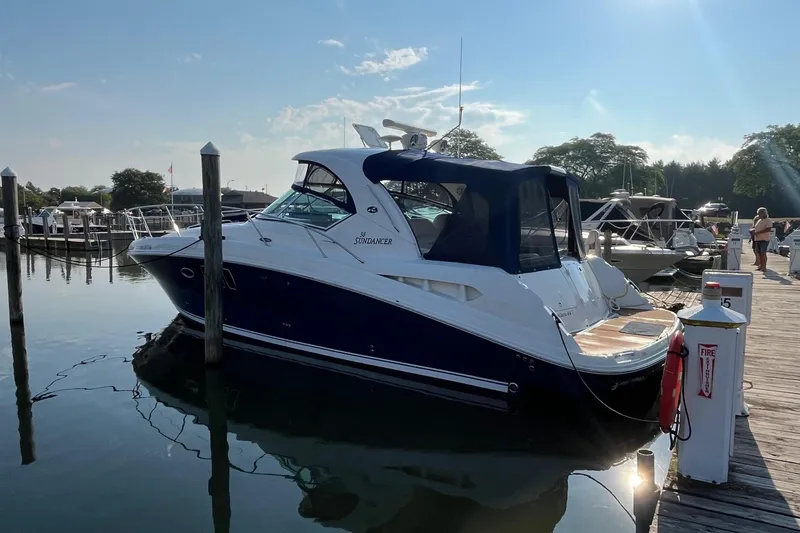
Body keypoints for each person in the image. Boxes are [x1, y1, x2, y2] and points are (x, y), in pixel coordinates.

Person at [752, 207, 773, 271]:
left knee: (763, 253)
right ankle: (760, 266)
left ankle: (764, 267)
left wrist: (757, 232)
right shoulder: (759, 220)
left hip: (764, 239)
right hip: (758, 239)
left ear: (763, 213)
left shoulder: (768, 220)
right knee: (759, 253)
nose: (758, 215)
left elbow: (768, 229)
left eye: (759, 214)